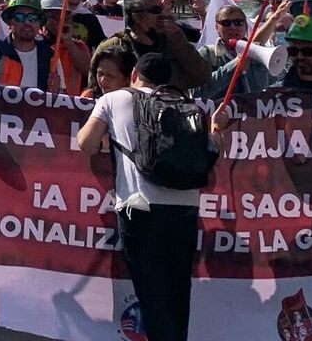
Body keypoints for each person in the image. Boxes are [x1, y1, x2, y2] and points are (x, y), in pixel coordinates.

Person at [75, 53, 224, 341]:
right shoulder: (185, 105)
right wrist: (218, 129)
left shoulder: (113, 100)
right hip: (185, 208)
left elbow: (86, 143)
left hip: (138, 206)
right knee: (177, 290)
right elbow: (211, 154)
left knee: (151, 291)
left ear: (133, 74)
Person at [92, 0, 209, 91]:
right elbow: (94, 88)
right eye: (156, 11)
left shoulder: (173, 45)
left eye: (163, 10)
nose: (163, 15)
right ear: (137, 16)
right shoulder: (111, 47)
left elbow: (201, 76)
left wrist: (179, 40)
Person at [0, 0, 61, 91]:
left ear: (39, 23)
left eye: (32, 18)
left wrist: (56, 91)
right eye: (19, 17)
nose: (27, 22)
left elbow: (62, 98)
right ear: (9, 22)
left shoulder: (50, 55)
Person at [196, 3, 284, 99]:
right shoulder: (208, 54)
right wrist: (233, 67)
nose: (233, 27)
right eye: (226, 23)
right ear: (217, 28)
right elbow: (197, 92)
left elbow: (276, 84)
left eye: (238, 22)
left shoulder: (260, 53)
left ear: (246, 26)